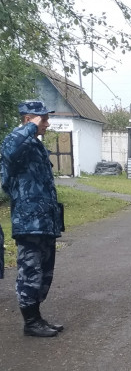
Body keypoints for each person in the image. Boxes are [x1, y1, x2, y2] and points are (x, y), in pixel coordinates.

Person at [1, 100, 64, 338]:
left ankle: (37, 317)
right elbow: (10, 152)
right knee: (30, 270)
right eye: (43, 119)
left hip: (44, 221)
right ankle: (30, 322)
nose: (47, 124)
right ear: (29, 119)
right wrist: (30, 128)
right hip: (29, 222)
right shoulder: (14, 140)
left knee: (44, 270)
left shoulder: (34, 145)